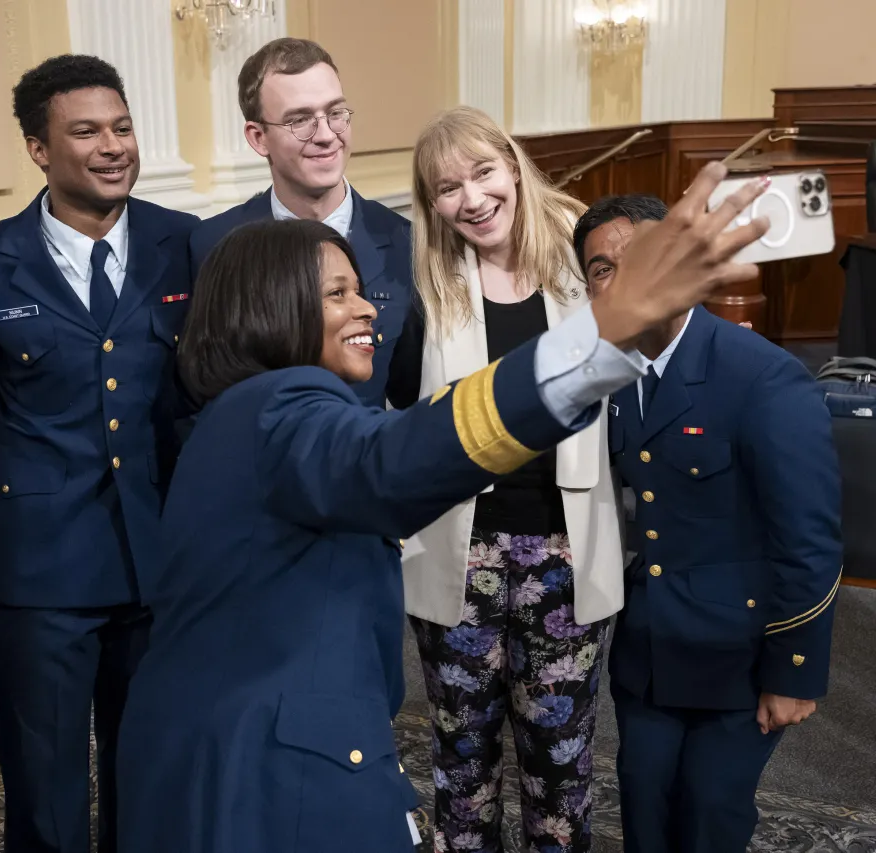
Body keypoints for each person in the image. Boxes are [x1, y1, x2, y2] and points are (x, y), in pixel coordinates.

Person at [116, 160, 774, 853]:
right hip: (264, 771)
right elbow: (395, 459)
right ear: (272, 305)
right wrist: (601, 332)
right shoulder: (277, 410)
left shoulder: (243, 416)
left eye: (361, 289)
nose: (368, 307)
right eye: (338, 293)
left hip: (225, 743)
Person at [0, 55, 198, 853]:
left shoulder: (186, 245)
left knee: (153, 774)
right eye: (85, 131)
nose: (112, 145)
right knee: (45, 791)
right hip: (36, 576)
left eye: (122, 127)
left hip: (159, 564)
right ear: (38, 149)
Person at [573, 193, 842, 853]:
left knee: (708, 817)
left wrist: (794, 671)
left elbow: (809, 541)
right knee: (643, 804)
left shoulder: (762, 378)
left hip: (739, 656)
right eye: (602, 269)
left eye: (640, 257)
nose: (623, 277)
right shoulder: (609, 375)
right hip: (652, 652)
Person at [391, 106, 624, 852]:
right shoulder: (427, 281)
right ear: (433, 205)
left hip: (565, 551)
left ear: (514, 166)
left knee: (559, 763)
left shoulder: (583, 261)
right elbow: (400, 404)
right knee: (463, 760)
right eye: (448, 187)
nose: (472, 197)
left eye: (484, 172)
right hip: (459, 554)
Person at [188, 37, 418, 409]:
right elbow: (198, 396)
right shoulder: (213, 244)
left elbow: (414, 394)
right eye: (300, 120)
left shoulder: (403, 242)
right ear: (258, 138)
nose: (326, 135)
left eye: (336, 113)